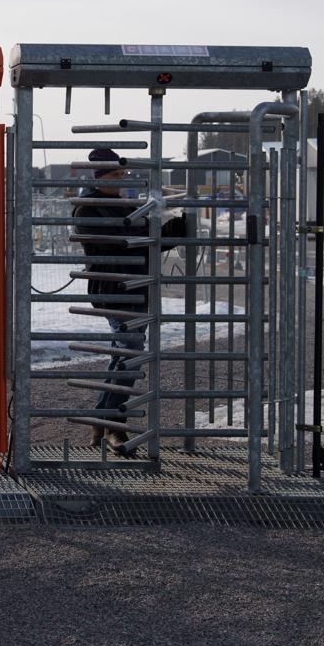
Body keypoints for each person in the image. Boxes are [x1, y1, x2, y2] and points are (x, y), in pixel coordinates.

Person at [73, 147, 185, 456]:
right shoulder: (87, 209)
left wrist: (177, 225)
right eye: (115, 175)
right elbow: (127, 244)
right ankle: (114, 424)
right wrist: (151, 233)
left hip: (136, 288)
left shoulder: (122, 206)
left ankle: (102, 418)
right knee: (131, 353)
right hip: (113, 289)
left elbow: (147, 240)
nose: (121, 181)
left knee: (123, 353)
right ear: (99, 176)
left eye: (122, 175)